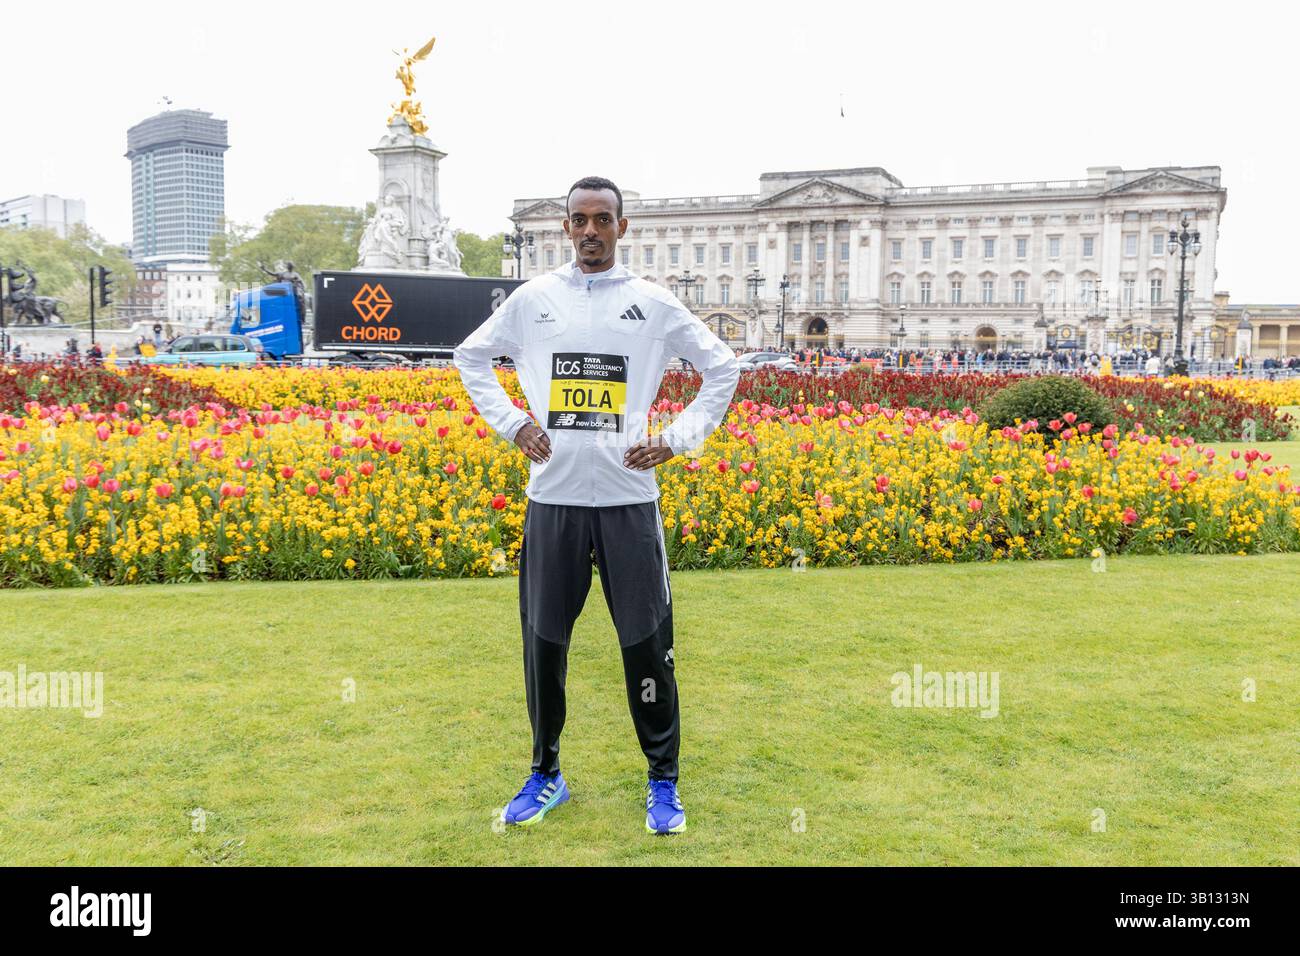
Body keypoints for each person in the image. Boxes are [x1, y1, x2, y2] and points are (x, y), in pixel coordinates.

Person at [454, 176, 739, 835]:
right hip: (552, 500)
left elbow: (721, 367)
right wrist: (513, 424)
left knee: (646, 648)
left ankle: (662, 783)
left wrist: (675, 441)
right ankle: (545, 774)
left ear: (621, 227)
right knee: (543, 644)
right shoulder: (533, 300)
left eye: (601, 220)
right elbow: (471, 357)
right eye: (578, 220)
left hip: (627, 503)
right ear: (565, 228)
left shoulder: (653, 303)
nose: (589, 230)